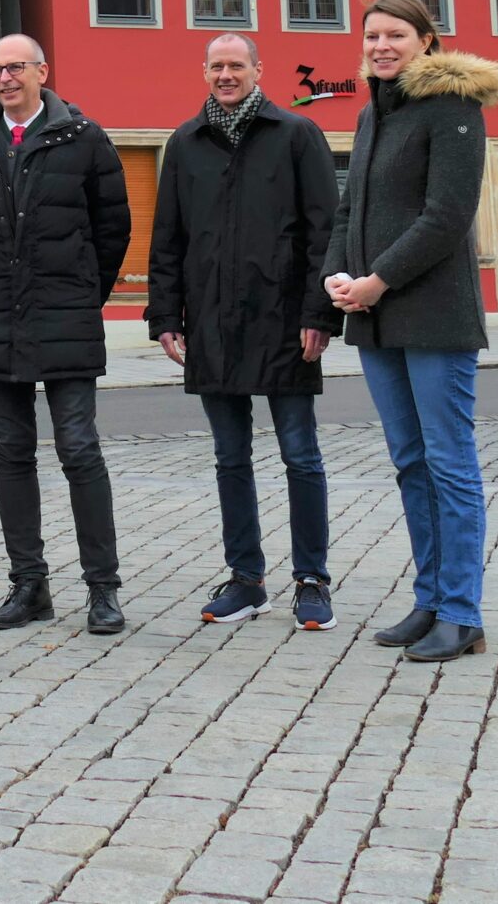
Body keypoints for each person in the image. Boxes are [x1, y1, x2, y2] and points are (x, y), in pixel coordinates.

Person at [323, 0, 498, 664]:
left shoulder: (452, 108)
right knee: (410, 463)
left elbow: (446, 217)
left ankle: (462, 612)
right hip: (376, 317)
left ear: (427, 40)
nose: (381, 45)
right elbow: (351, 208)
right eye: (371, 34)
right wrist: (337, 275)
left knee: (449, 464)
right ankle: (430, 598)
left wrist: (378, 279)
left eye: (395, 33)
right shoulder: (375, 112)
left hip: (433, 315)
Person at [147, 33, 342, 631]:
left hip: (285, 320)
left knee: (300, 455)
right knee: (230, 458)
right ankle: (246, 579)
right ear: (203, 73)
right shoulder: (185, 142)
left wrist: (319, 314)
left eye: (236, 65)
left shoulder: (297, 135)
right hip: (211, 323)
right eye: (216, 67)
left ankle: (311, 580)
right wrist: (164, 317)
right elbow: (168, 239)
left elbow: (324, 232)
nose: (226, 75)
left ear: (259, 70)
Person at [0, 33, 132, 636]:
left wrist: (82, 294)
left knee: (79, 449)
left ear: (42, 72)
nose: (4, 78)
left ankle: (103, 589)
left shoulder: (85, 137)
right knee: (11, 452)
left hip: (66, 317)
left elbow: (114, 229)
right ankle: (29, 586)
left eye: (15, 67)